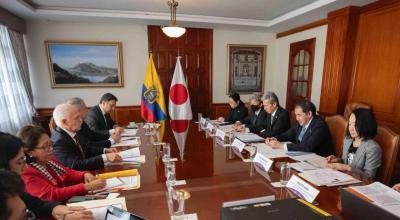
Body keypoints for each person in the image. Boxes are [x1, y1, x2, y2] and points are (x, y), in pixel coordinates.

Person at [0, 132, 93, 220]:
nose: (25, 166)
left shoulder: (10, 186)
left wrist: (60, 210)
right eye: (20, 161)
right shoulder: (21, 178)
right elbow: (50, 195)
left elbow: (35, 203)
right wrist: (85, 187)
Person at [18, 125, 106, 202]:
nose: (51, 149)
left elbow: (67, 172)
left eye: (50, 144)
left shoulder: (49, 159)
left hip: (67, 201)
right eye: (45, 147)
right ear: (30, 152)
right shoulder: (26, 172)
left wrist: (84, 175)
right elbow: (52, 194)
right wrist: (86, 187)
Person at [51, 103, 121, 171]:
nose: (81, 120)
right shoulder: (59, 141)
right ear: (64, 122)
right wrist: (105, 157)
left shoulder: (72, 131)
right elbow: (76, 165)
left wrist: (104, 150)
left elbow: (86, 148)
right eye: (76, 118)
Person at [325, 108, 382, 179]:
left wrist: (347, 167)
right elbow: (346, 161)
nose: (351, 128)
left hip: (359, 185)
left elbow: (369, 176)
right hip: (342, 178)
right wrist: (337, 160)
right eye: (350, 124)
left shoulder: (373, 147)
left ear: (365, 125)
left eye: (355, 125)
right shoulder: (348, 140)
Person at [266, 100, 334, 157]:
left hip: (318, 160)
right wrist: (275, 138)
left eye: (299, 115)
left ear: (309, 114)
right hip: (302, 156)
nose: (297, 118)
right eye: (296, 115)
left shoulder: (319, 125)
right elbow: (288, 134)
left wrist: (281, 146)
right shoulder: (302, 121)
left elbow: (307, 146)